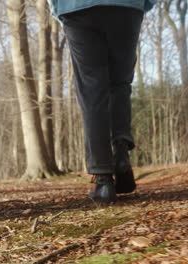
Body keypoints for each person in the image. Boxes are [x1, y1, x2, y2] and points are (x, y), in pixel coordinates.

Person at [48, 0, 156, 203]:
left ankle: (103, 179)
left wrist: (58, 8)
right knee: (121, 84)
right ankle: (121, 155)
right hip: (127, 7)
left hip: (76, 8)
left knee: (92, 92)